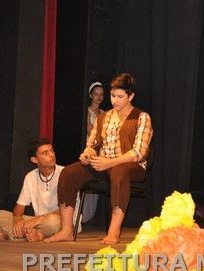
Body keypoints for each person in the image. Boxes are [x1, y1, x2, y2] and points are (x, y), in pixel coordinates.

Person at [45, 73, 153, 245]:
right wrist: (87, 154)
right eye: (112, 96)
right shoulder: (104, 117)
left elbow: (138, 153)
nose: (115, 100)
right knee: (68, 173)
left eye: (120, 97)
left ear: (131, 96)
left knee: (118, 172)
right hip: (104, 164)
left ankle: (114, 231)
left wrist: (109, 162)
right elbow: (92, 144)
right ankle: (66, 230)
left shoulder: (141, 117)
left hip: (131, 166)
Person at [0, 139, 70, 241]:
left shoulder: (66, 173)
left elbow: (68, 208)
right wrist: (17, 219)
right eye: (45, 153)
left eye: (51, 150)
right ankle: (34, 234)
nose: (51, 155)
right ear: (34, 160)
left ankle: (12, 235)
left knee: (53, 222)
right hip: (37, 222)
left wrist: (42, 218)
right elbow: (20, 206)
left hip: (61, 220)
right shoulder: (30, 176)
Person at [82, 81, 105, 223]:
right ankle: (81, 216)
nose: (99, 97)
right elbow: (92, 132)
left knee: (96, 183)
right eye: (96, 94)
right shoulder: (87, 111)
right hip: (88, 149)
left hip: (100, 151)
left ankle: (87, 216)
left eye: (101, 94)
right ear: (91, 95)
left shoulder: (104, 113)